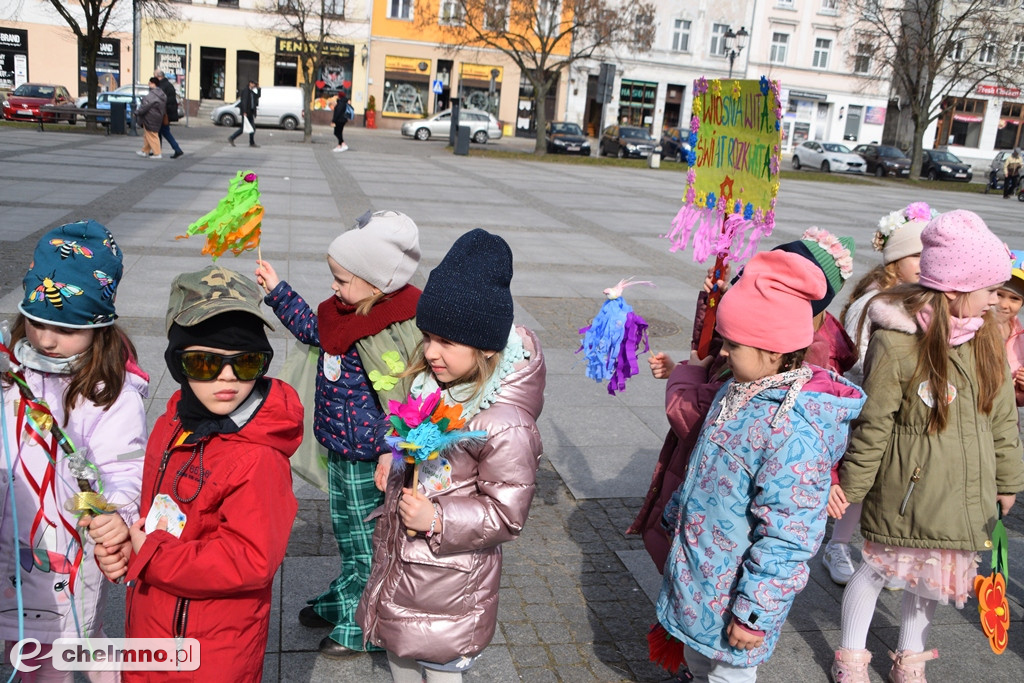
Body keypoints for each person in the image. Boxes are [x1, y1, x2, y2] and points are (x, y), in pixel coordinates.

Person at [655, 251, 865, 683]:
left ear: (773, 351)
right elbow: (704, 464)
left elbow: (790, 534)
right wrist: (678, 514)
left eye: (733, 344)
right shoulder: (736, 391)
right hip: (701, 571)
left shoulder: (792, 433)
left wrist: (755, 613)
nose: (724, 352)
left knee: (728, 673)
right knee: (698, 661)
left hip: (739, 594)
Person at [832, 210, 1024, 682]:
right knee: (877, 569)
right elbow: (874, 423)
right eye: (989, 291)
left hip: (961, 490)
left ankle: (910, 659)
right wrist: (851, 486)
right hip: (908, 488)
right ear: (956, 290)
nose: (996, 302)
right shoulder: (898, 345)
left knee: (933, 581)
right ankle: (852, 658)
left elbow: (1002, 416)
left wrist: (1007, 478)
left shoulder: (987, 342)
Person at [92, 265, 302, 682]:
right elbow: (158, 517)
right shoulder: (173, 419)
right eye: (205, 363)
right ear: (178, 363)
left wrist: (148, 555)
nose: (227, 378)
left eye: (246, 362)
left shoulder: (259, 457)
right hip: (150, 630)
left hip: (211, 653)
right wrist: (127, 544)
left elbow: (249, 560)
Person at [356, 228, 546, 683]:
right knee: (399, 660)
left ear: (485, 346)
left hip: (451, 586)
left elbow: (506, 514)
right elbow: (409, 436)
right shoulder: (429, 385)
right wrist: (394, 456)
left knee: (438, 672)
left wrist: (438, 518)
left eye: (447, 342)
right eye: (428, 337)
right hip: (404, 568)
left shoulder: (504, 422)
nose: (431, 352)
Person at [629, 226, 858, 574]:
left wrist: (687, 373)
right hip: (706, 511)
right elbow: (713, 351)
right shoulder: (771, 353)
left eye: (732, 343)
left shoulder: (774, 379)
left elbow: (693, 416)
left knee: (695, 576)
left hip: (719, 525)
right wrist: (714, 305)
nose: (726, 349)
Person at [255, 210, 422, 659]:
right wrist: (277, 293)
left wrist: (396, 452)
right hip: (341, 448)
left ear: (376, 284)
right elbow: (315, 330)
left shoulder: (392, 326)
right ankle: (347, 595)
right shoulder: (345, 312)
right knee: (347, 531)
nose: (333, 287)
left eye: (342, 280)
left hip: (373, 459)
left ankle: (365, 619)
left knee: (370, 537)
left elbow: (407, 399)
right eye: (333, 277)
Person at [0, 220, 148, 682]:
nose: (45, 340)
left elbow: (124, 469)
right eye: (37, 322)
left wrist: (117, 515)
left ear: (100, 326)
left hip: (66, 556)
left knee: (60, 652)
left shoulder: (111, 396)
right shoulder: (8, 373)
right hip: (5, 544)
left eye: (65, 328)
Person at [823, 202, 935, 587]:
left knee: (890, 481)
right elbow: (855, 358)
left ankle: (880, 550)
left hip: (902, 407)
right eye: (916, 255)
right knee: (859, 479)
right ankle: (837, 544)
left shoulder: (925, 298)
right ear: (894, 261)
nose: (924, 262)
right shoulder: (872, 302)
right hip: (866, 405)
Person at [994, 249, 1024, 405]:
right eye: (999, 294)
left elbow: (1018, 401)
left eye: (1015, 298)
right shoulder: (971, 330)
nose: (1004, 305)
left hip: (1006, 423)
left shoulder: (1020, 337)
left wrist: (1021, 388)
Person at [154, 69, 183, 159]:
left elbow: (161, 100)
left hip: (163, 113)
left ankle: (176, 149)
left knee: (164, 132)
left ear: (158, 76)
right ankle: (157, 151)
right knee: (161, 132)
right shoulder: (168, 84)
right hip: (167, 112)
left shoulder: (162, 86)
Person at [135, 76, 166, 159]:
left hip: (150, 117)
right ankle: (145, 150)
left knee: (152, 135)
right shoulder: (161, 94)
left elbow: (145, 106)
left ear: (153, 84)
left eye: (149, 83)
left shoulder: (152, 95)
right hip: (158, 116)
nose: (148, 85)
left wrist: (137, 112)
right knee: (147, 135)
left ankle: (157, 153)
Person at [229, 80, 260, 148]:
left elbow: (258, 96)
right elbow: (244, 102)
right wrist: (244, 112)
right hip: (246, 112)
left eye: (255, 84)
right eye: (253, 84)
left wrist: (258, 88)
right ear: (250, 83)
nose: (254, 85)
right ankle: (232, 138)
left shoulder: (251, 92)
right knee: (244, 128)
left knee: (252, 128)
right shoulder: (246, 91)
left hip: (250, 112)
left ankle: (251, 142)